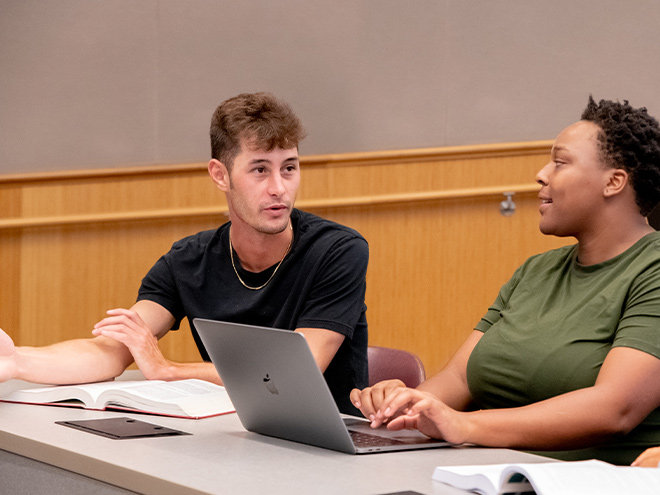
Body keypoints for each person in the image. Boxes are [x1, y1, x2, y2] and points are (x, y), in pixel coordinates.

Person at [0, 92, 369, 415]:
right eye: (260, 169)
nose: (279, 188)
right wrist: (15, 361)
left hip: (332, 442)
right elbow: (111, 351)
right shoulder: (187, 261)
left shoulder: (338, 251)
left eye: (289, 168)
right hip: (235, 436)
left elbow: (296, 369)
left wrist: (168, 370)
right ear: (220, 175)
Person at [350, 96, 660, 465]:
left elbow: (614, 409)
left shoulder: (651, 269)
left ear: (614, 182)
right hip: (484, 474)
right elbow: (459, 381)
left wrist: (466, 426)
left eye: (560, 162)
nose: (542, 174)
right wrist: (404, 404)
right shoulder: (536, 270)